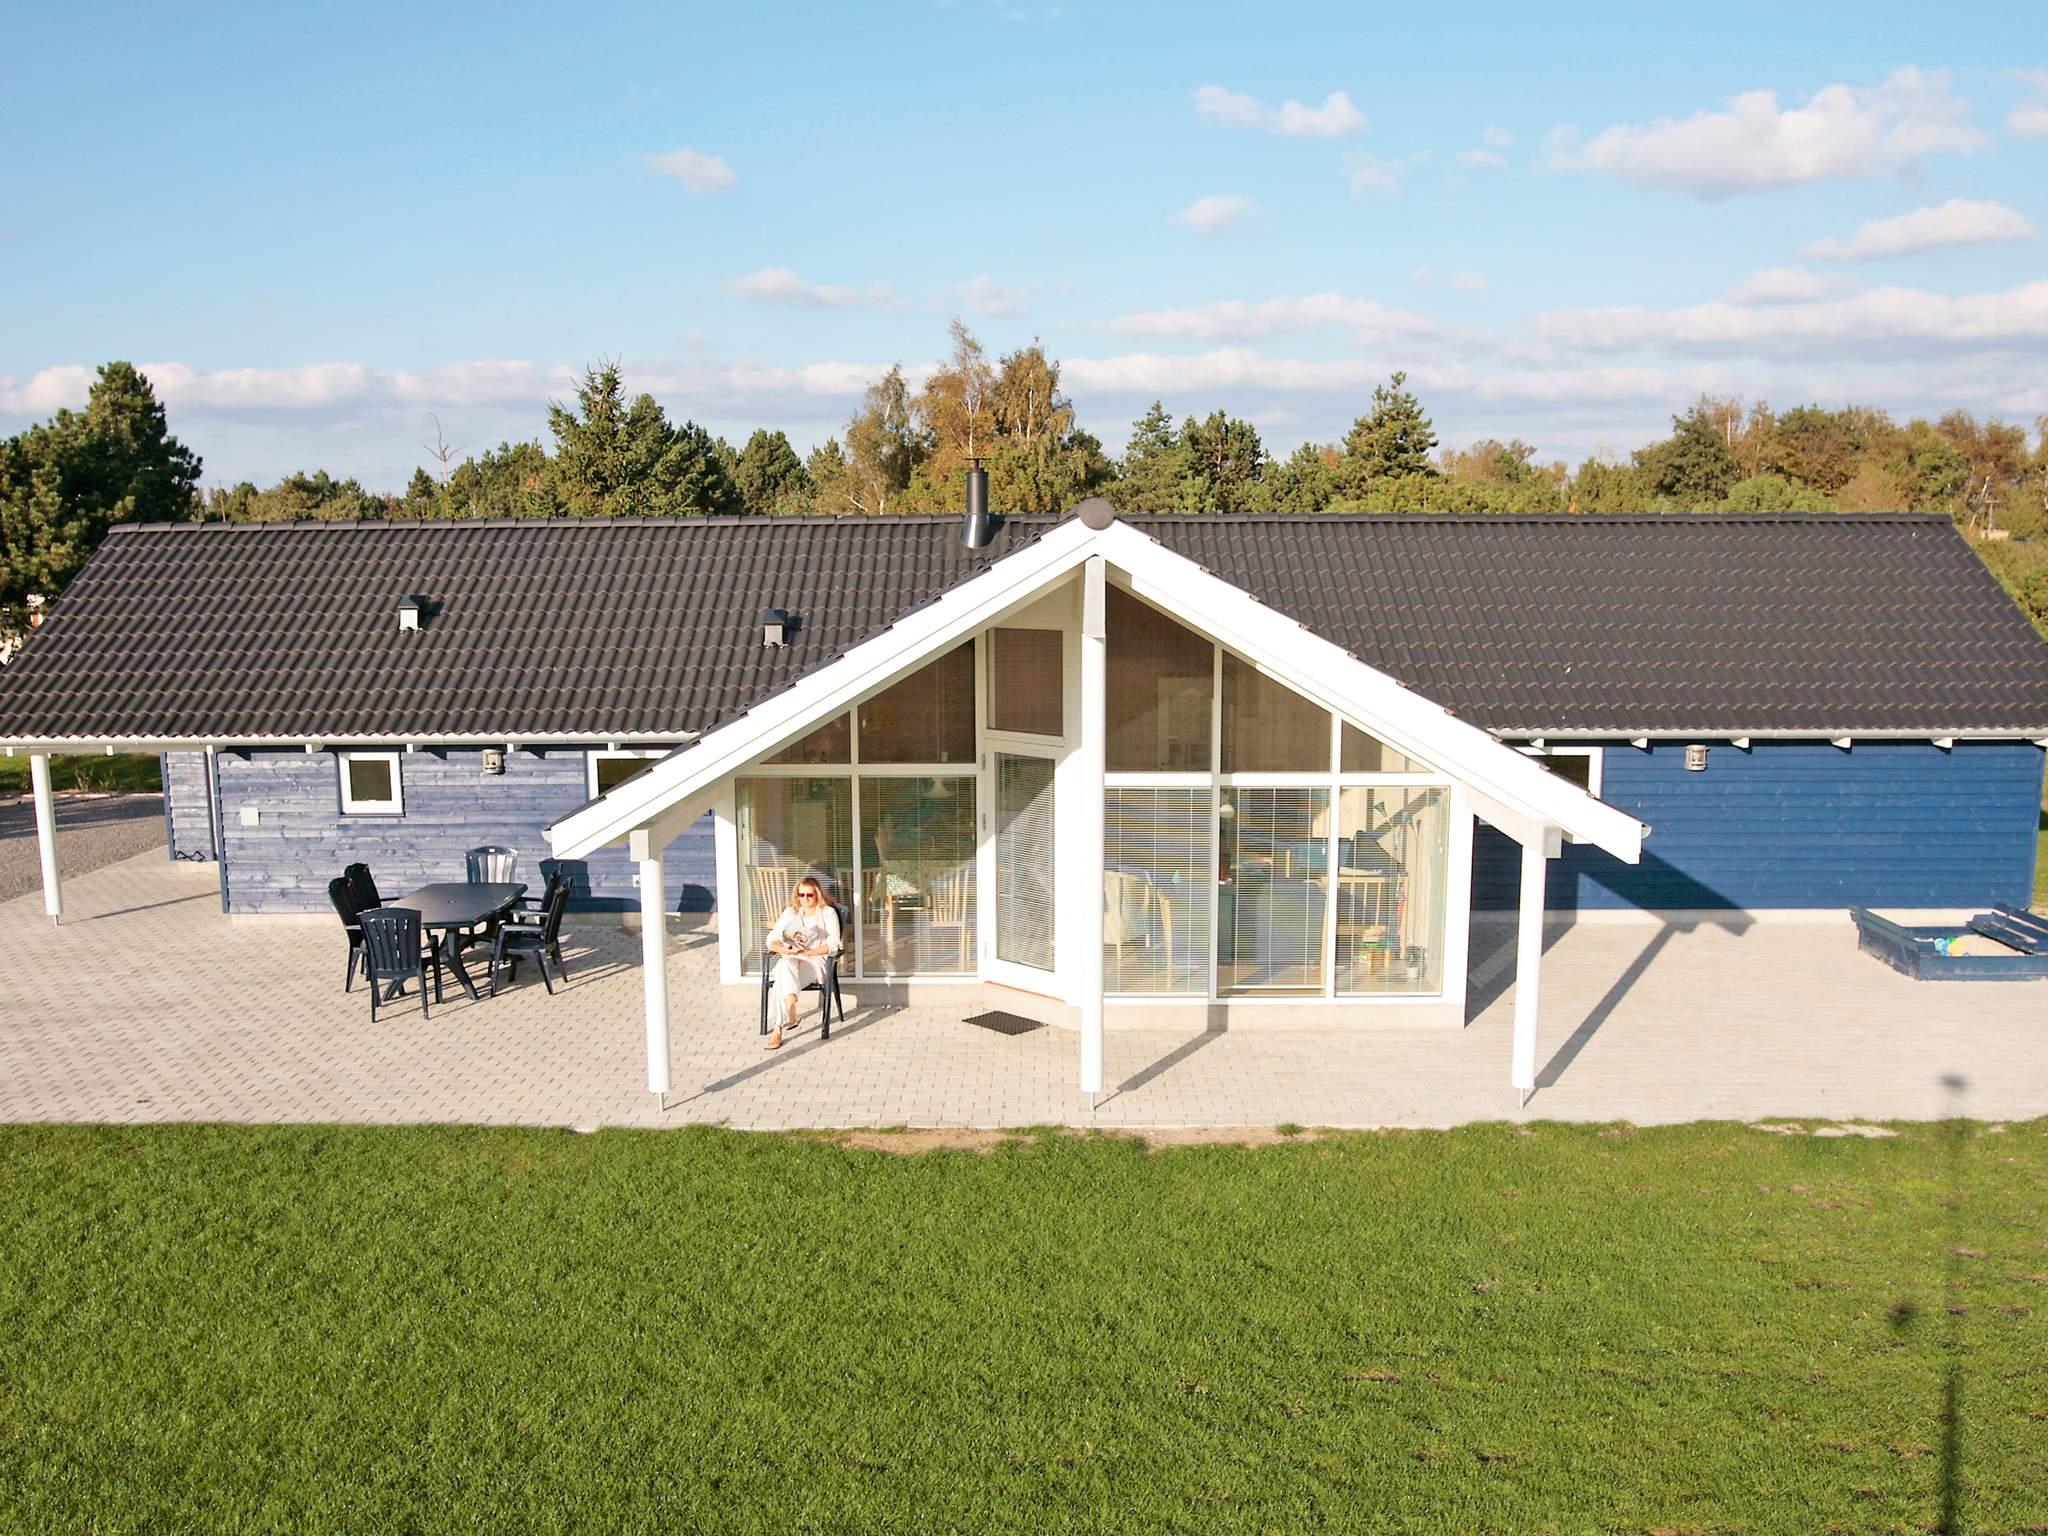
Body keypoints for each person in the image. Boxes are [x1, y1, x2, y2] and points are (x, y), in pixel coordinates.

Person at [764, 875, 841, 1049]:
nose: (805, 899)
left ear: (817, 895)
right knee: (784, 965)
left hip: (814, 961)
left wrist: (810, 952)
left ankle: (778, 1029)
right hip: (792, 958)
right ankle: (790, 1005)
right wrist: (785, 949)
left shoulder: (827, 913)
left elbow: (834, 944)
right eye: (801, 895)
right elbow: (771, 939)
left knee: (781, 979)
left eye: (809, 895)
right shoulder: (790, 913)